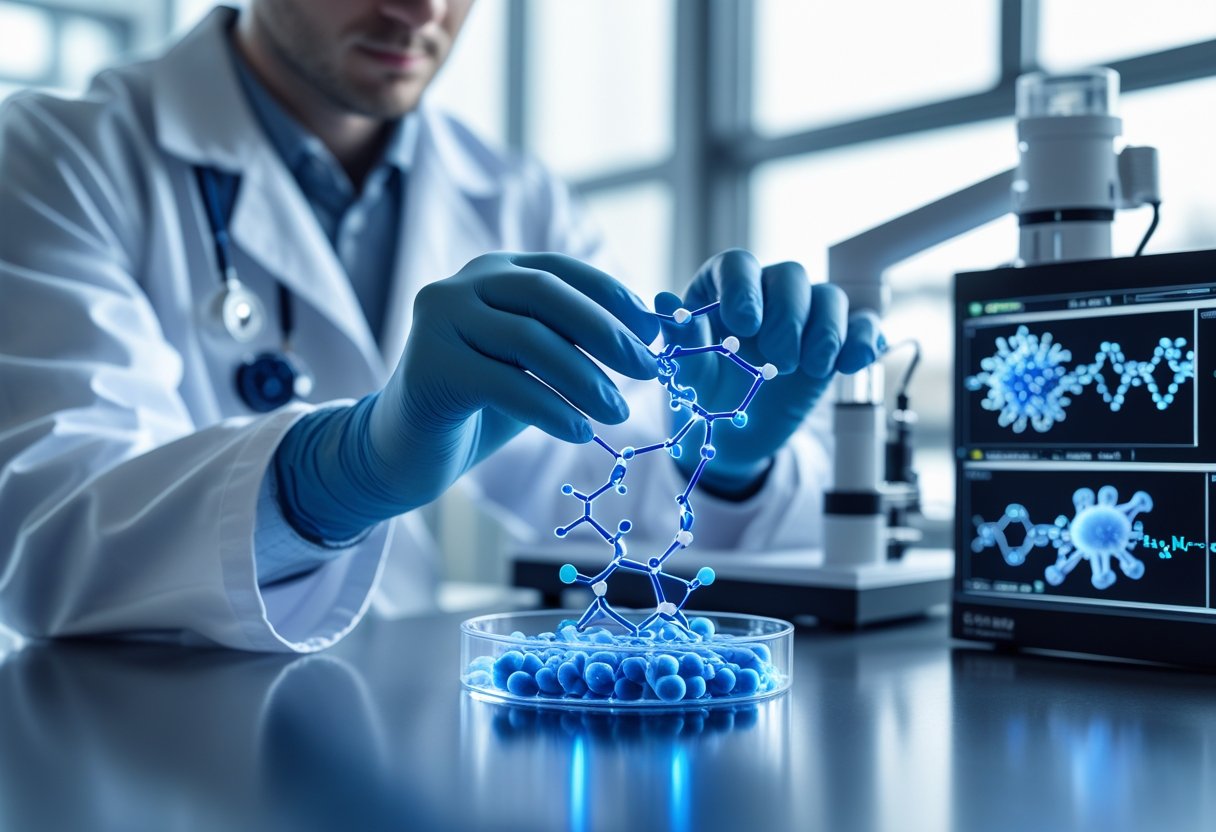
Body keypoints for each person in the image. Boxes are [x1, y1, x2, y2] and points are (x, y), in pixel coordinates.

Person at [0, 1, 881, 652]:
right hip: (138, 749)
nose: (423, 9)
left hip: (401, 728)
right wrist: (334, 474)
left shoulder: (516, 198)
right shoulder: (56, 157)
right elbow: (48, 529)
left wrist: (710, 463)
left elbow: (601, 508)